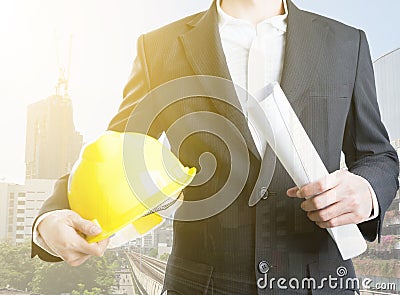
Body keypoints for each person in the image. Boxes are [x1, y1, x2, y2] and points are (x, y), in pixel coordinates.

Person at [31, 0, 399, 294]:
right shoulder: (159, 48)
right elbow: (115, 153)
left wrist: (365, 190)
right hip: (201, 285)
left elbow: (377, 155)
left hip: (318, 282)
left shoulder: (346, 42)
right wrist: (51, 217)